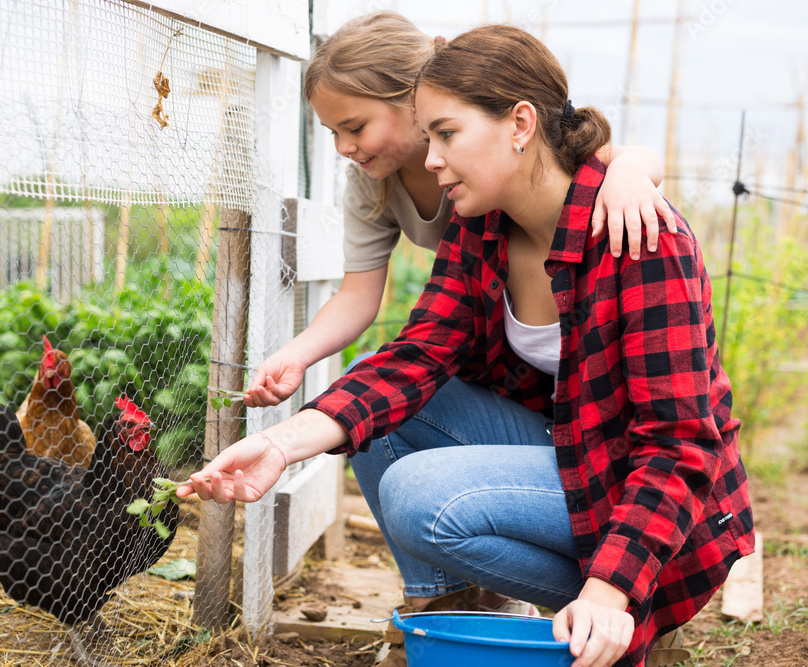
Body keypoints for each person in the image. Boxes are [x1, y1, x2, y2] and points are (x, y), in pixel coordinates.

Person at [181, 23, 755, 667]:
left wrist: (609, 590)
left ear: (520, 124)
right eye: (427, 138)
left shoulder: (639, 237)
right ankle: (460, 621)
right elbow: (420, 353)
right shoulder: (481, 226)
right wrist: (280, 444)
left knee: (422, 497)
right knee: (387, 409)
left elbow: (680, 446)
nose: (429, 159)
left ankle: (620, 608)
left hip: (657, 497)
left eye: (447, 135)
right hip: (568, 445)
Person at [242, 11, 674, 411]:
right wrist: (295, 354)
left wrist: (630, 172)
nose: (342, 148)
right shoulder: (372, 185)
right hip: (487, 326)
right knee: (375, 389)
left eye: (355, 127)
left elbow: (605, 154)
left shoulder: (501, 162)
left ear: (415, 101)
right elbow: (358, 294)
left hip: (547, 333)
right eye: (332, 132)